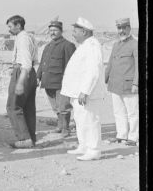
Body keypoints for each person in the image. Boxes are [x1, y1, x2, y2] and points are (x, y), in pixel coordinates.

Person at [60, 17, 107, 161]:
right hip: (78, 92)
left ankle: (94, 150)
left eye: (75, 31)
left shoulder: (92, 45)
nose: (72, 34)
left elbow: (93, 71)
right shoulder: (85, 45)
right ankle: (84, 146)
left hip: (88, 93)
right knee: (80, 120)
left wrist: (85, 91)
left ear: (84, 31)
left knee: (90, 120)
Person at [36, 20, 76, 137]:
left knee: (64, 106)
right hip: (48, 82)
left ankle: (65, 128)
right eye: (51, 30)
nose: (52, 33)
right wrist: (38, 77)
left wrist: (68, 82)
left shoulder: (68, 45)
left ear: (61, 31)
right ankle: (59, 126)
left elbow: (71, 66)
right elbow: (42, 64)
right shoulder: (48, 46)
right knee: (55, 107)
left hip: (61, 83)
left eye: (55, 30)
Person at [6, 15, 39, 149]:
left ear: (18, 26)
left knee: (13, 106)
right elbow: (34, 60)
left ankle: (24, 139)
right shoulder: (30, 36)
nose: (9, 29)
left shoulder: (23, 38)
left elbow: (26, 63)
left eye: (10, 26)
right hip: (30, 74)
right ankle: (31, 138)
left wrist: (20, 81)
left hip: (23, 72)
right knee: (28, 108)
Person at [105, 17, 139, 146]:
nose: (121, 31)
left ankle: (133, 137)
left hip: (129, 85)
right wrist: (105, 79)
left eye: (124, 28)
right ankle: (121, 135)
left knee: (133, 112)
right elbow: (110, 64)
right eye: (119, 28)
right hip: (115, 84)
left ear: (129, 28)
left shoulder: (135, 44)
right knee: (118, 112)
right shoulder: (116, 45)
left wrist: (136, 83)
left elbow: (138, 65)